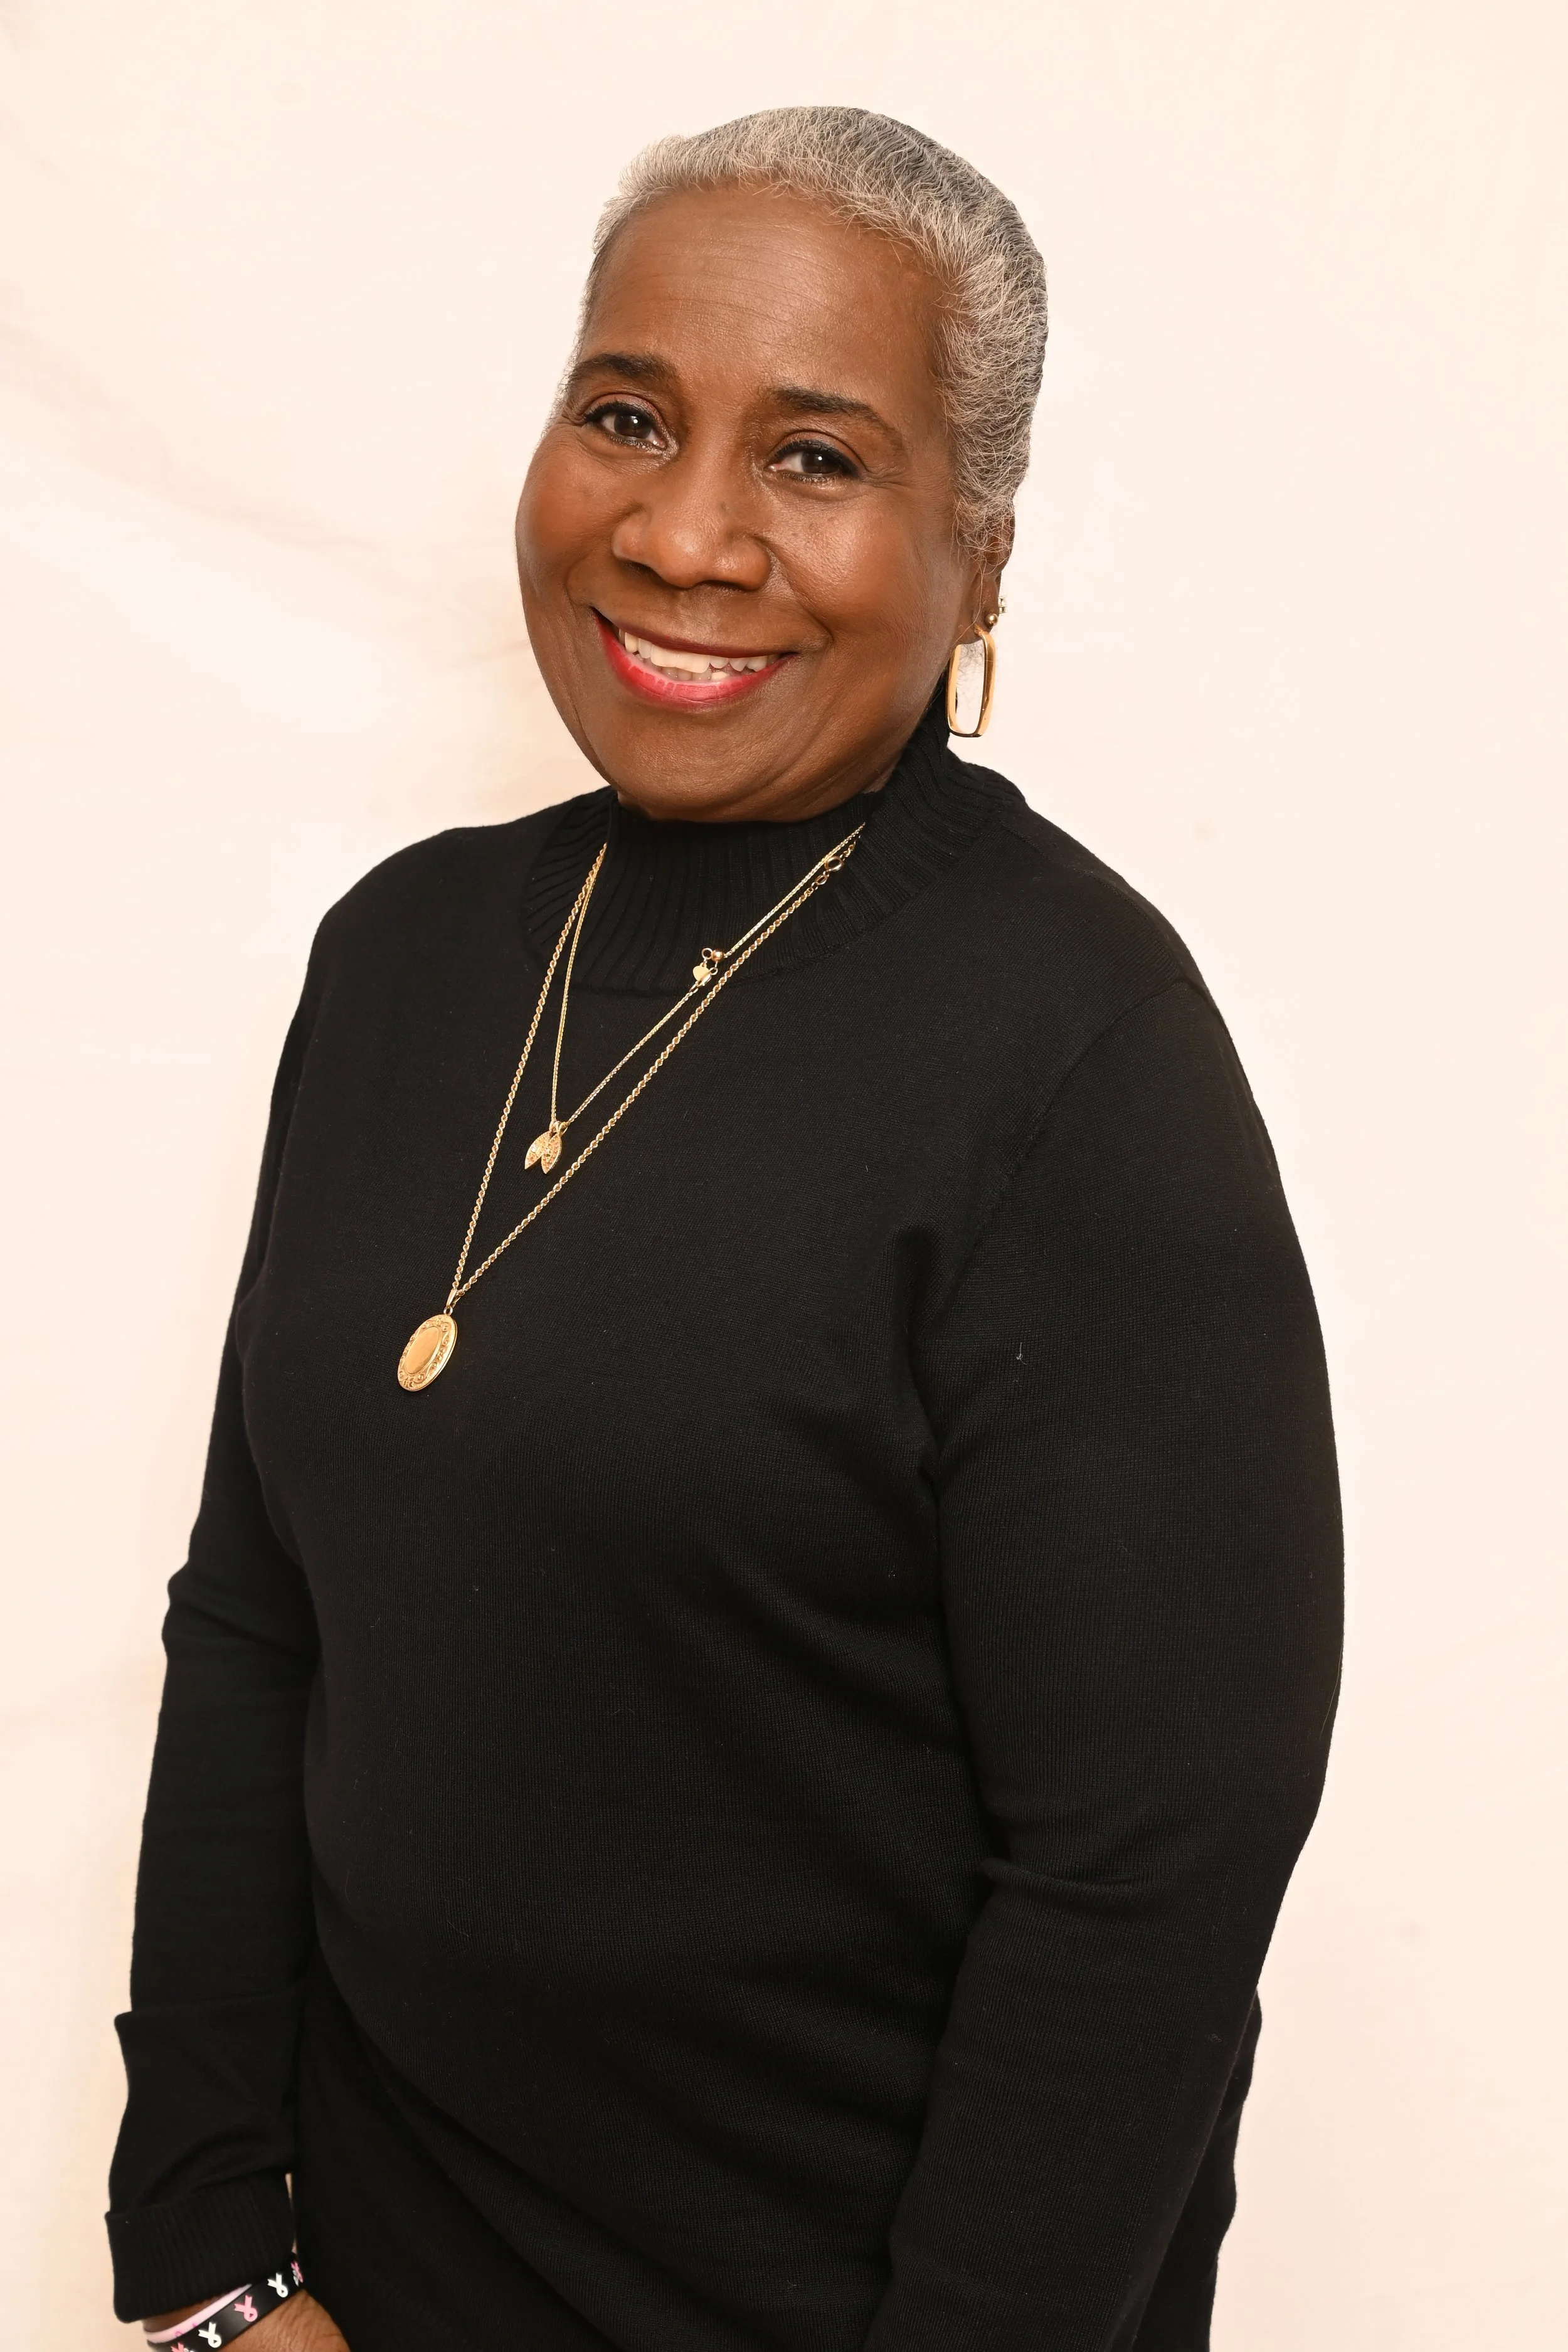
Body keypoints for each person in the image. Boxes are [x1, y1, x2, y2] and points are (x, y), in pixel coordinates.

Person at [107, 106, 1341, 2352]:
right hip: (359, 2287)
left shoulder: (1077, 1045)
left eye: (814, 457)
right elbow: (260, 1617)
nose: (681, 533)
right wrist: (208, 2256)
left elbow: (1146, 1879)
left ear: (977, 555)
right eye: (625, 416)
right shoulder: (402, 958)